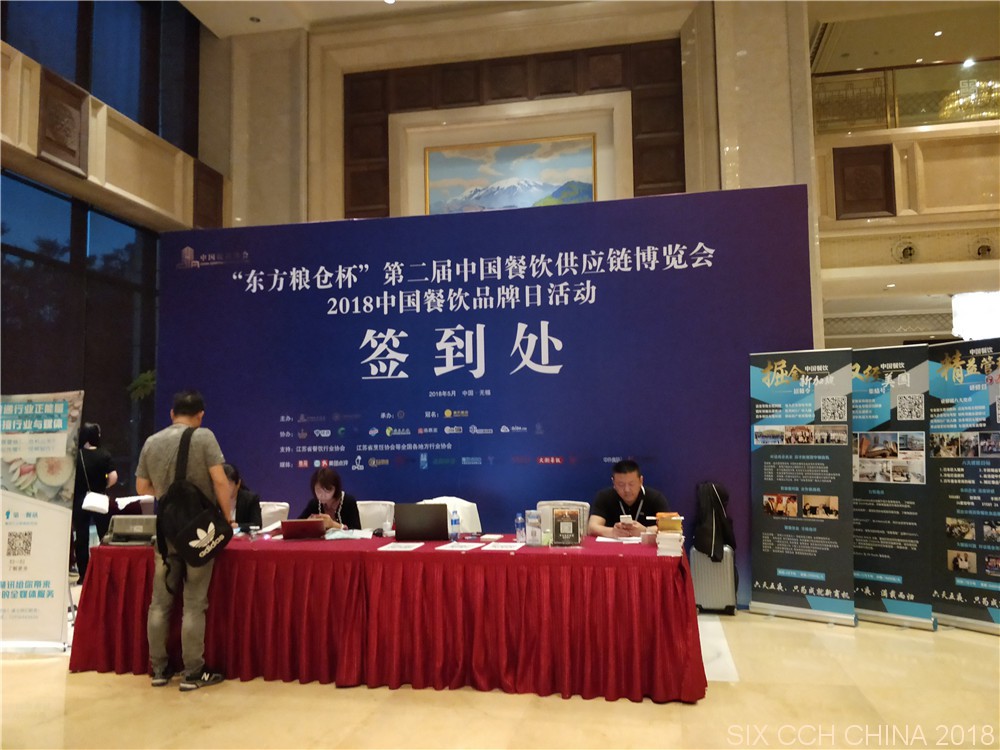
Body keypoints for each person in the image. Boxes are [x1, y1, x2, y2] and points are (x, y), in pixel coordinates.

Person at [135, 390, 231, 692]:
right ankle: (193, 672)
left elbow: (141, 487)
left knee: (159, 603)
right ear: (200, 415)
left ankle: (159, 669)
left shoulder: (151, 442)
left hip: (167, 532)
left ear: (171, 414)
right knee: (194, 603)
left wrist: (167, 495)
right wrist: (227, 518)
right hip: (200, 531)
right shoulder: (204, 437)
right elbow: (220, 480)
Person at [72, 422, 119, 582]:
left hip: (80, 500)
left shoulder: (76, 455)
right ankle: (106, 571)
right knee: (104, 535)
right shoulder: (104, 454)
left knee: (82, 537)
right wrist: (103, 487)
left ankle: (83, 575)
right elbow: (113, 477)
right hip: (99, 498)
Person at [588, 459, 670, 538]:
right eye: (621, 484)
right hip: (614, 546)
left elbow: (669, 528)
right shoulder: (604, 497)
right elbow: (592, 527)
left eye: (631, 484)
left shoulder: (655, 498)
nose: (627, 490)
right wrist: (612, 532)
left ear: (641, 481)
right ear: (614, 482)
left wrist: (646, 531)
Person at [298, 466, 361, 530]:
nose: (322, 495)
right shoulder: (314, 503)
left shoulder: (348, 502)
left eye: (327, 490)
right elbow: (297, 525)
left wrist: (333, 525)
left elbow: (357, 531)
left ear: (336, 489)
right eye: (318, 490)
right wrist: (307, 523)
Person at [222, 463, 263, 529]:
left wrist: (238, 526)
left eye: (229, 484)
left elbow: (257, 525)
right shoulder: (214, 500)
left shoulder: (250, 499)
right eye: (222, 484)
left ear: (238, 484)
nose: (224, 488)